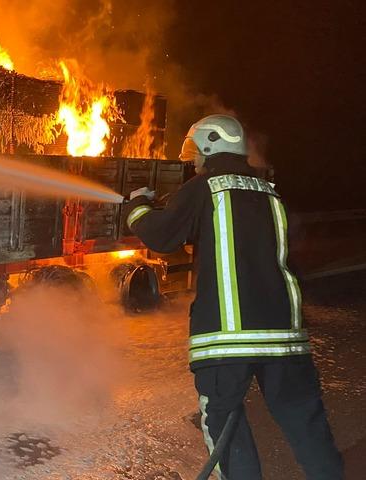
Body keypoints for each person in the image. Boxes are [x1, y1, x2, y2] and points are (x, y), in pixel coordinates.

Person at [123, 114, 343, 479]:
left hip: (228, 338)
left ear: (210, 146)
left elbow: (162, 237)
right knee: (306, 424)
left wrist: (137, 208)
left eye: (195, 151)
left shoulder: (203, 186)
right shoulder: (271, 191)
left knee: (226, 427)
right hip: (283, 337)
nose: (192, 160)